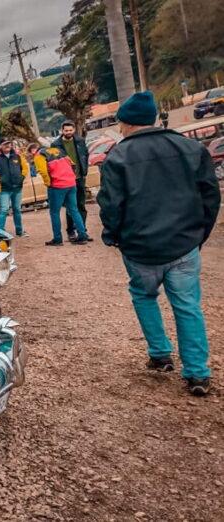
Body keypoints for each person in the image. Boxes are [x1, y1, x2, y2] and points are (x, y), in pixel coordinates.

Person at [98, 91, 220, 397]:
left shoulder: (118, 157)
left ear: (126, 123)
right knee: (188, 305)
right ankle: (197, 374)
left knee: (143, 295)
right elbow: (210, 195)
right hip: (183, 244)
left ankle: (160, 354)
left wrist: (113, 235)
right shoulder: (190, 148)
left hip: (140, 248)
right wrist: (199, 233)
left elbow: (111, 205)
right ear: (154, 118)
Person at [33, 145, 91, 245]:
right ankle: (82, 236)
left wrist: (48, 183)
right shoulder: (59, 151)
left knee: (54, 212)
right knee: (74, 210)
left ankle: (57, 239)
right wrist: (71, 177)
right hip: (71, 183)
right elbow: (73, 164)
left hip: (57, 186)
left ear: (33, 151)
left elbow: (42, 171)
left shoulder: (39, 155)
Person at [52, 122, 92, 241]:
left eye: (70, 130)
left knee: (81, 205)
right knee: (70, 207)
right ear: (62, 131)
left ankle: (82, 231)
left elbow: (85, 155)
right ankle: (71, 231)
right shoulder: (56, 145)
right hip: (65, 180)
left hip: (79, 178)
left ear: (74, 130)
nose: (68, 132)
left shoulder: (80, 141)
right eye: (66, 130)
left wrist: (84, 171)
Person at [0, 139, 28, 236]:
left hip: (17, 188)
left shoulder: (18, 155)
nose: (8, 145)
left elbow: (25, 168)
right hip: (4, 189)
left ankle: (20, 231)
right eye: (5, 144)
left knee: (17, 209)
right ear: (0, 146)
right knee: (3, 210)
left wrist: (22, 176)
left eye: (9, 143)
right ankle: (0, 233)